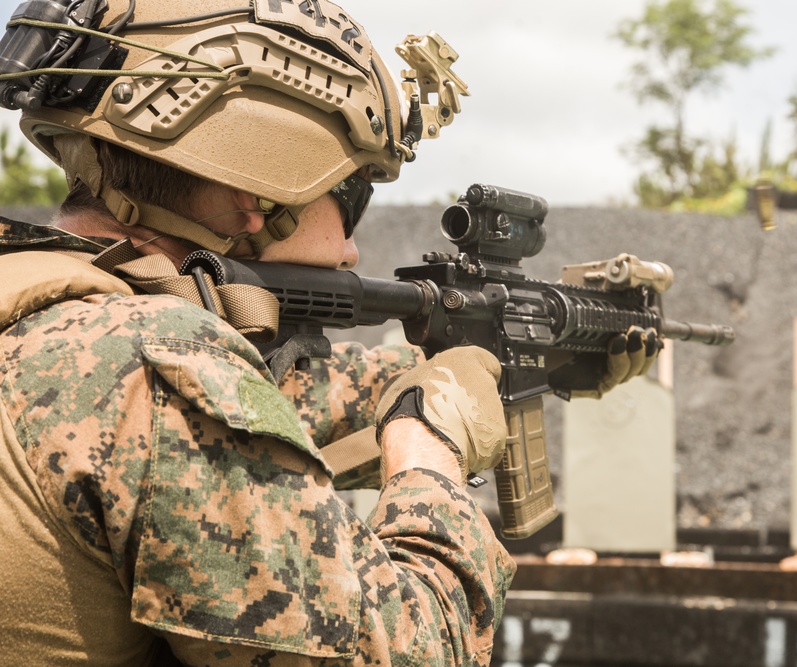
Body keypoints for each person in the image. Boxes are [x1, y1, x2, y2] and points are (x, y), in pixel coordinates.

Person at [0, 1, 658, 665]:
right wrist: (428, 448)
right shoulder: (160, 367)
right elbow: (409, 650)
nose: (350, 250)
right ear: (259, 194)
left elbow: (262, 405)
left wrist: (502, 368)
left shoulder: (54, 317)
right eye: (350, 197)